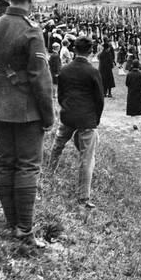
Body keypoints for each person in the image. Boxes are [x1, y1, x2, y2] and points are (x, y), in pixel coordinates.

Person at [0, 0, 53, 247]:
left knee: (6, 162)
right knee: (28, 166)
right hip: (27, 112)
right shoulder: (32, 32)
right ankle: (24, 230)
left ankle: (10, 222)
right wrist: (48, 115)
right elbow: (40, 79)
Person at [48, 36, 104, 209]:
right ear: (90, 51)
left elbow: (61, 94)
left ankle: (48, 175)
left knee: (57, 146)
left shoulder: (65, 70)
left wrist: (66, 108)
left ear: (74, 50)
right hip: (87, 119)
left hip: (68, 115)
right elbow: (99, 99)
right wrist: (95, 119)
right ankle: (83, 197)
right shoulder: (93, 72)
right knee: (86, 158)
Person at [126, 59, 141, 130]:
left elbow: (127, 84)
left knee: (132, 110)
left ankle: (134, 124)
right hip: (139, 93)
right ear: (138, 66)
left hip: (131, 94)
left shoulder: (129, 74)